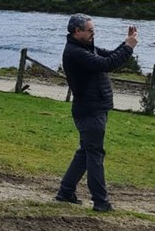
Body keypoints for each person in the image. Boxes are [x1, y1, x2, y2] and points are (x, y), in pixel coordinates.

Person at [55, 15, 138, 212]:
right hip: (89, 110)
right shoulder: (75, 52)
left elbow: (108, 56)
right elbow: (105, 65)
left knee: (86, 151)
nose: (94, 33)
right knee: (95, 154)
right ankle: (101, 201)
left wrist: (126, 43)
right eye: (90, 30)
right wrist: (129, 48)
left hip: (94, 107)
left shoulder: (86, 48)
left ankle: (66, 191)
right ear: (77, 31)